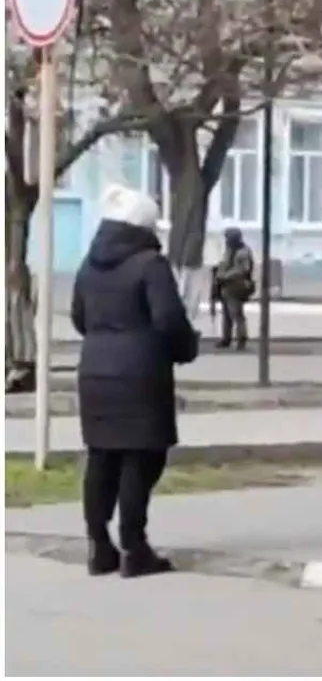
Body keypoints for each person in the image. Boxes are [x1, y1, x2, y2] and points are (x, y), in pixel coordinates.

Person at [72, 183, 200, 578]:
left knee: (102, 457)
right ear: (144, 228)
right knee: (140, 458)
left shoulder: (88, 265)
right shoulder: (150, 265)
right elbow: (168, 320)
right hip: (140, 375)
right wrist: (185, 348)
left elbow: (78, 317)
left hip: (93, 372)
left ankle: (98, 546)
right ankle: (135, 547)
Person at [212, 227, 255, 350]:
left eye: (228, 238)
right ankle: (226, 338)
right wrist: (218, 273)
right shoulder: (230, 250)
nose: (226, 241)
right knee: (226, 314)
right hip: (226, 285)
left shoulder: (243, 252)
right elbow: (225, 264)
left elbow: (243, 269)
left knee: (236, 313)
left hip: (237, 286)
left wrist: (226, 275)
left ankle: (241, 338)